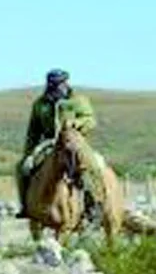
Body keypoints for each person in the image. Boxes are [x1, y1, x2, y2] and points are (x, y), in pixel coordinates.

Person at [14, 69, 104, 220]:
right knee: (22, 167)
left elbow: (90, 120)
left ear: (65, 83)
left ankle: (93, 204)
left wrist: (76, 123)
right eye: (52, 85)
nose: (55, 88)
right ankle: (26, 206)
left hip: (75, 142)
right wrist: (28, 153)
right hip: (48, 143)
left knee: (92, 166)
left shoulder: (78, 100)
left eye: (58, 85)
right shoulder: (40, 104)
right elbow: (33, 132)